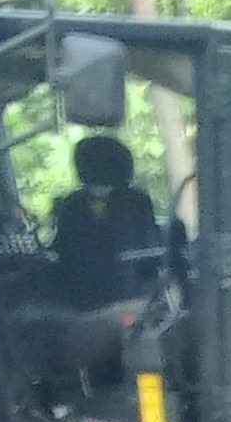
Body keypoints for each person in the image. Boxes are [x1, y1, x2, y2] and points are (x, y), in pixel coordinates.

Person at [46, 134, 164, 312]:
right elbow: (61, 248)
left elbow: (145, 249)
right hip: (86, 293)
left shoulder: (135, 202)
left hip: (123, 290)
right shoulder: (72, 204)